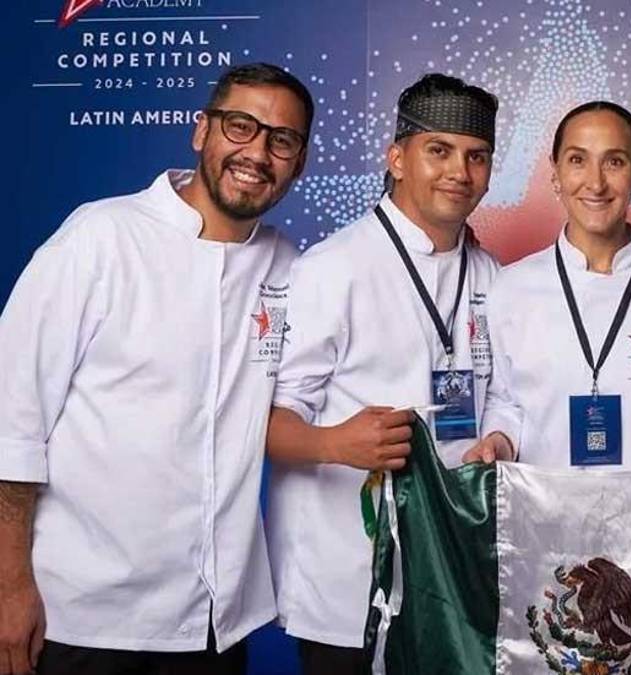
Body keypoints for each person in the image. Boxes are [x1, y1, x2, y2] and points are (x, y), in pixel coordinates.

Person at [0, 63, 310, 675]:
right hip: (83, 618)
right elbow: (12, 422)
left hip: (216, 626)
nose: (257, 153)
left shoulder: (289, 266)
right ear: (201, 130)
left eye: (282, 140)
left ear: (298, 162)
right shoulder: (99, 238)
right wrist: (9, 586)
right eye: (240, 126)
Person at [264, 73, 500, 674]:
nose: (459, 171)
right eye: (439, 150)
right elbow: (262, 421)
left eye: (476, 156)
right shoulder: (331, 268)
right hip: (348, 575)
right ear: (397, 158)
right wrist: (334, 443)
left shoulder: (491, 274)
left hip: (454, 574)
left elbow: (504, 397)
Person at [466, 101, 631, 468]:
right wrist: (498, 442)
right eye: (578, 160)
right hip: (544, 500)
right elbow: (504, 402)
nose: (595, 183)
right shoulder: (511, 286)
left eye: (614, 162)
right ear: (555, 173)